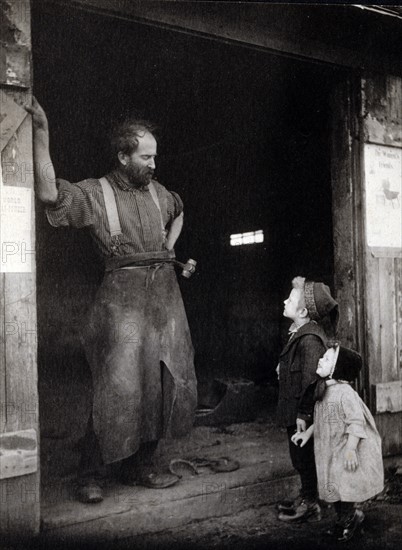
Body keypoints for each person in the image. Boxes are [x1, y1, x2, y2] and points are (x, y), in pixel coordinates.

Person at [25, 97, 198, 503]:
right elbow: (50, 193)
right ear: (123, 156)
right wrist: (42, 132)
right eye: (146, 157)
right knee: (116, 386)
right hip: (120, 304)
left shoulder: (161, 194)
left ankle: (141, 465)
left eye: (155, 156)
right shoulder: (94, 194)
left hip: (164, 300)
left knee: (158, 383)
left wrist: (169, 247)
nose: (154, 164)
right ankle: (91, 471)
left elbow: (181, 210)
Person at [292, 343, 384, 542]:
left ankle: (349, 521)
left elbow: (356, 422)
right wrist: (307, 433)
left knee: (344, 487)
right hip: (328, 450)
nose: (320, 360)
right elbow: (322, 419)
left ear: (337, 369)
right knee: (333, 487)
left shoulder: (345, 394)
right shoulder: (323, 392)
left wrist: (351, 449)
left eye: (326, 359)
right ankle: (345, 519)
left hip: (343, 448)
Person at [276, 276, 339, 523]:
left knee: (304, 458)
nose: (285, 300)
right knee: (299, 456)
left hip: (301, 413)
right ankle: (306, 495)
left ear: (302, 311)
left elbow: (312, 382)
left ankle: (310, 502)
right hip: (296, 410)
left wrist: (304, 415)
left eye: (290, 299)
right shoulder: (300, 333)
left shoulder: (311, 340)